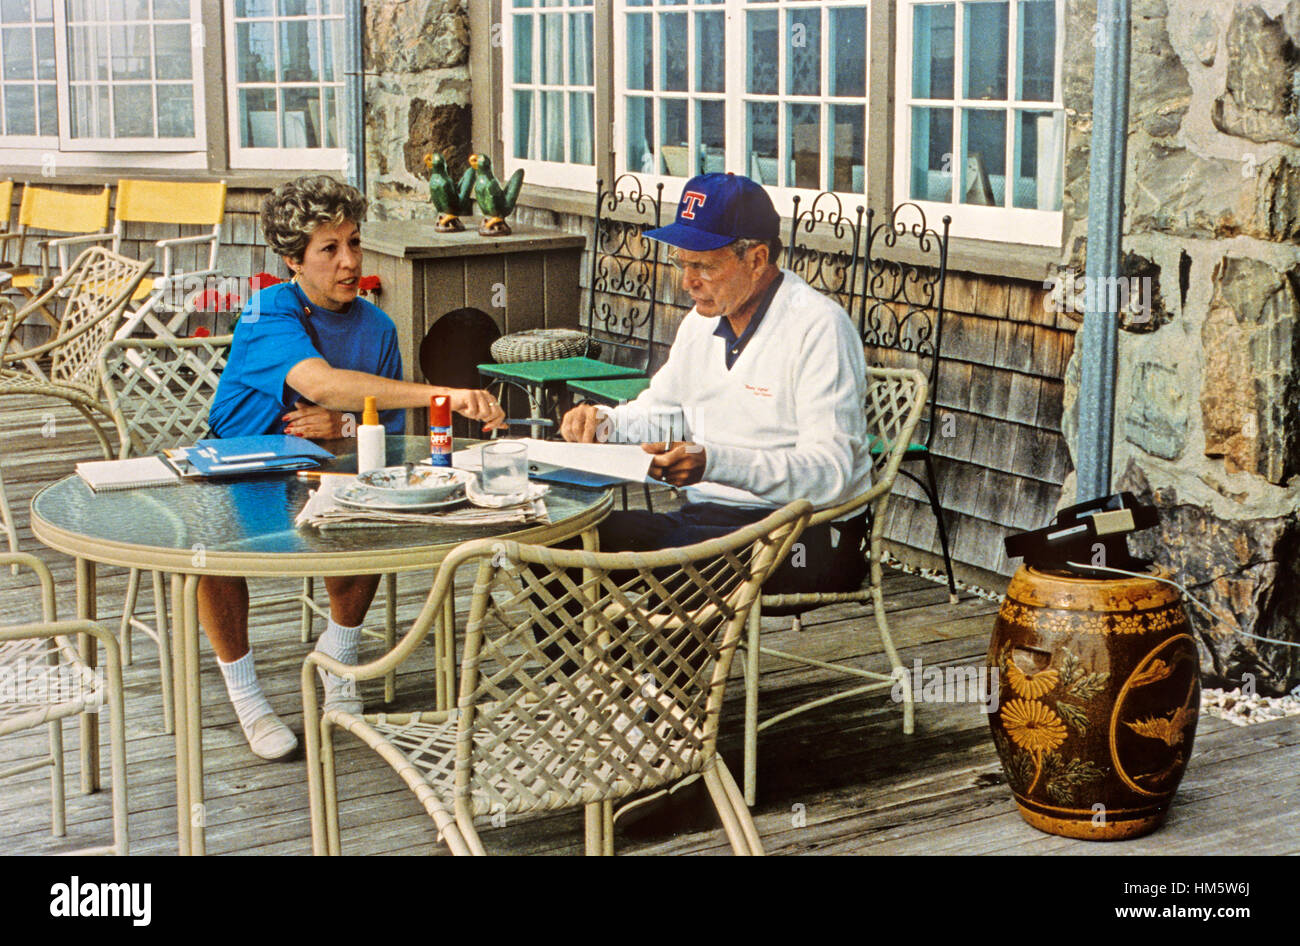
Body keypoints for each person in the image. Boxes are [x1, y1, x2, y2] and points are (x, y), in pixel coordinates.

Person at [204, 175, 506, 761]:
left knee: (376, 506)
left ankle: (339, 660)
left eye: (354, 243)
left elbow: (386, 435)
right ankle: (246, 695)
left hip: (325, 469)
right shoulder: (268, 309)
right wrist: (442, 393)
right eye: (329, 249)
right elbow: (321, 382)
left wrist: (345, 426)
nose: (349, 262)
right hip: (241, 463)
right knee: (213, 553)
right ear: (294, 259)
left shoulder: (377, 327)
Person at [559, 172, 873, 596]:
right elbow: (664, 413)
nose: (687, 282)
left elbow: (829, 474)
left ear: (757, 259)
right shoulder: (700, 324)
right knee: (556, 546)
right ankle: (592, 664)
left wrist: (714, 462)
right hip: (706, 521)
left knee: (675, 571)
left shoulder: (818, 327)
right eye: (681, 263)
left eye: (703, 265)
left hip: (800, 536)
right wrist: (603, 424)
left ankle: (633, 663)